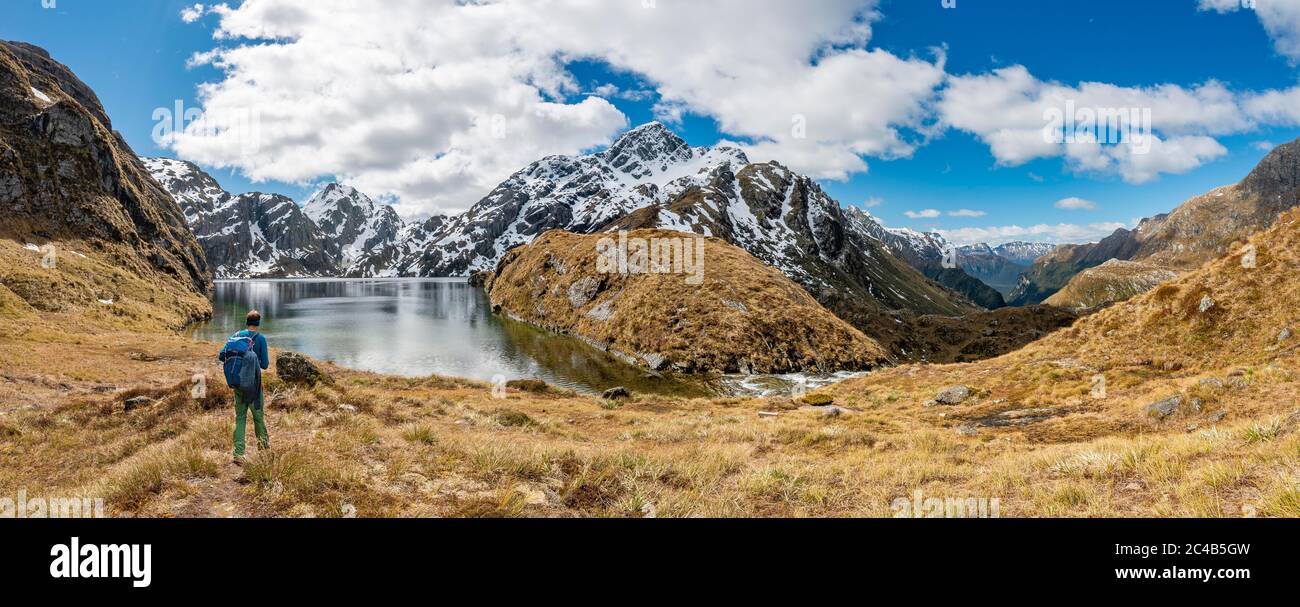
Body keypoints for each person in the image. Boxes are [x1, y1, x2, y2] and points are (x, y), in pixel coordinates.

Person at [228, 310, 270, 464]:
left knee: (240, 418)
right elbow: (265, 365)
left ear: (247, 322)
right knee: (258, 418)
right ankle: (264, 450)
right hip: (253, 385)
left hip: (238, 384)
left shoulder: (236, 336)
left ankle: (238, 454)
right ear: (258, 323)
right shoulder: (260, 339)